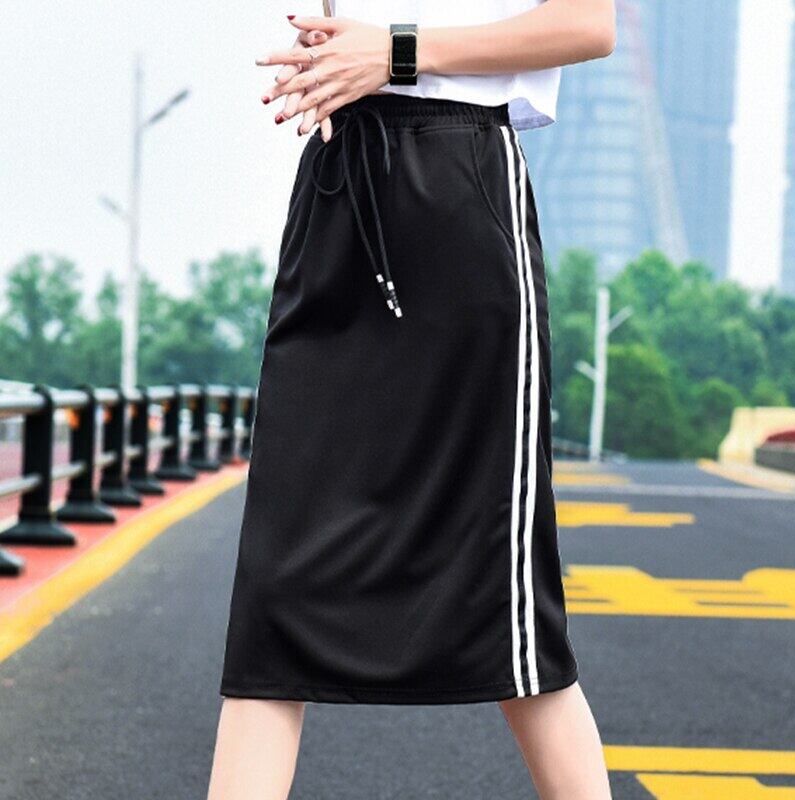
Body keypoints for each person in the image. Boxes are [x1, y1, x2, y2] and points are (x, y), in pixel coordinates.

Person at [207, 1, 616, 798]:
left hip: (458, 187)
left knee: (507, 602)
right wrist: (338, 49)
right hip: (337, 187)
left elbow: (589, 23)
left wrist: (395, 51)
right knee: (275, 592)